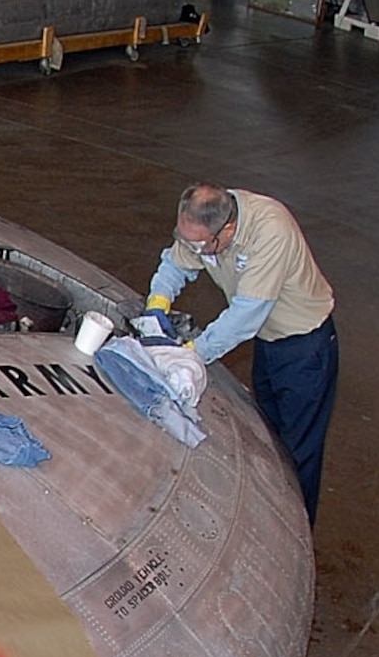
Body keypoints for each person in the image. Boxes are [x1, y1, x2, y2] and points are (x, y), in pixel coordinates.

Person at [142, 183, 338, 524]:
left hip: (304, 348)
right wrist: (157, 303)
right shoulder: (207, 219)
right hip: (268, 341)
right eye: (185, 236)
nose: (193, 248)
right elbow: (176, 262)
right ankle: (268, 513)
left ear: (228, 230)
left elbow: (246, 315)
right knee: (268, 437)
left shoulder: (271, 231)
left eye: (200, 244)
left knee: (297, 453)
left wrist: (191, 354)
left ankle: (294, 529)